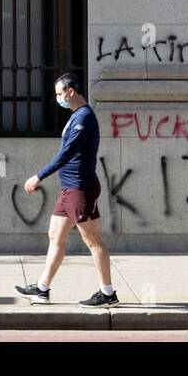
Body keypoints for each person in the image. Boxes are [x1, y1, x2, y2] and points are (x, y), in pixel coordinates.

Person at [13, 73, 118, 307]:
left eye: (60, 93)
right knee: (55, 236)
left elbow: (67, 153)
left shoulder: (85, 117)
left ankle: (108, 293)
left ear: (71, 91)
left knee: (93, 240)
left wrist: (39, 176)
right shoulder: (75, 116)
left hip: (80, 188)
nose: (58, 98)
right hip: (68, 188)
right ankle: (42, 289)